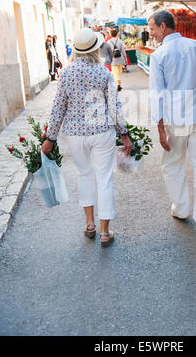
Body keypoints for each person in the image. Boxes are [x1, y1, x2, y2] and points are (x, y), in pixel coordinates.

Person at [41, 28, 132, 247]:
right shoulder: (104, 73)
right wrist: (124, 134)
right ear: (95, 49)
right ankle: (104, 232)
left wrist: (50, 138)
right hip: (102, 133)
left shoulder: (66, 74)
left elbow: (58, 108)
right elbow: (115, 108)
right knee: (104, 179)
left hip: (75, 135)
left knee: (84, 176)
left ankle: (90, 224)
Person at [148, 10, 196, 232]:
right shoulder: (195, 46)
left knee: (173, 164)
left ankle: (181, 209)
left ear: (163, 27)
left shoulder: (158, 55)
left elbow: (157, 94)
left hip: (176, 119)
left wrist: (160, 128)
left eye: (152, 28)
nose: (151, 33)